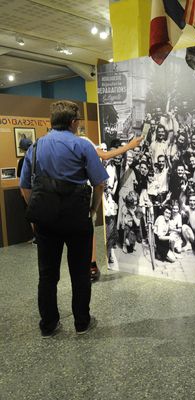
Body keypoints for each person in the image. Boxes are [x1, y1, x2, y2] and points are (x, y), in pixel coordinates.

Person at [20, 100, 109, 338]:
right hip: (76, 218)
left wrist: (37, 209)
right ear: (73, 122)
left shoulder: (36, 147)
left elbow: (25, 187)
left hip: (46, 221)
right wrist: (92, 209)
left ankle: (48, 325)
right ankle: (81, 322)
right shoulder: (82, 146)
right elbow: (99, 183)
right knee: (80, 272)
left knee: (47, 274)